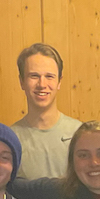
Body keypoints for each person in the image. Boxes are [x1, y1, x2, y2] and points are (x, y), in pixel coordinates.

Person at [11, 43, 83, 179]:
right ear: (21, 82)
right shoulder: (11, 139)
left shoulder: (80, 134)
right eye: (34, 76)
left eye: (49, 76)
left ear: (59, 82)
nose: (42, 84)